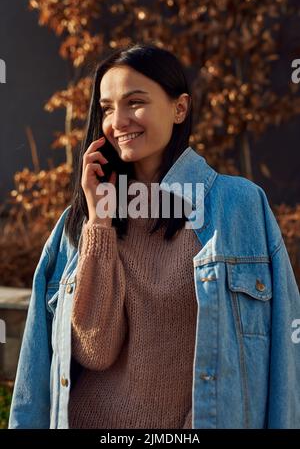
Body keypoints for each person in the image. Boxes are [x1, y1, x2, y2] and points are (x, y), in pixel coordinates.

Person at [9, 43, 300, 429]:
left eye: (135, 102)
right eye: (107, 108)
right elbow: (94, 352)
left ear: (180, 108)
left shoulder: (238, 206)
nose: (119, 120)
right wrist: (99, 223)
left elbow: (284, 351)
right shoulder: (79, 223)